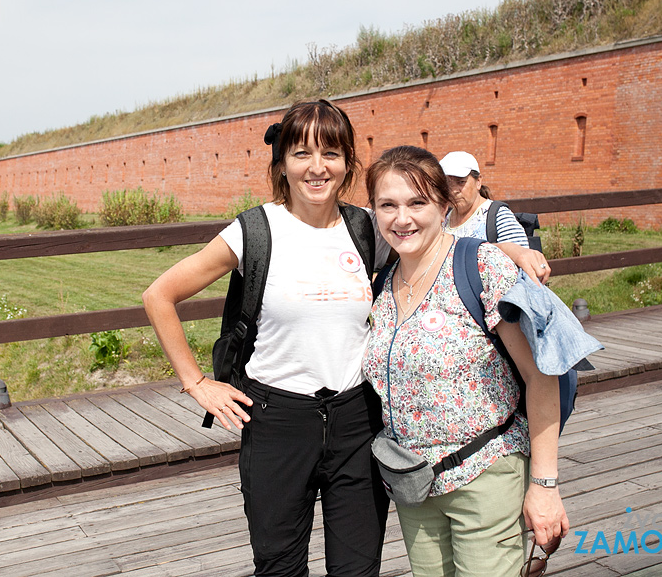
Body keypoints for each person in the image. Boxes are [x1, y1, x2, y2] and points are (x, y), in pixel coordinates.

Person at [143, 100, 391, 577]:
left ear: (348, 162)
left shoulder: (366, 228)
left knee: (358, 570)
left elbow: (437, 234)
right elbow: (159, 295)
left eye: (331, 153)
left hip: (356, 420)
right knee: (279, 569)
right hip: (276, 421)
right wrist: (196, 382)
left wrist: (511, 247)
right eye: (302, 153)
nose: (317, 168)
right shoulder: (255, 230)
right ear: (281, 162)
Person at [363, 145, 569, 577]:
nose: (403, 219)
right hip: (414, 485)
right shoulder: (383, 283)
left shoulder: (481, 266)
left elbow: (541, 375)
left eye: (417, 202)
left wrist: (544, 486)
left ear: (442, 204)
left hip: (486, 474)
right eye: (388, 205)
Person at [440, 150, 528, 246]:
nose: (454, 191)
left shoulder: (499, 217)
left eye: (461, 182)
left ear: (478, 182)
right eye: (447, 184)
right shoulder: (443, 219)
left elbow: (520, 256)